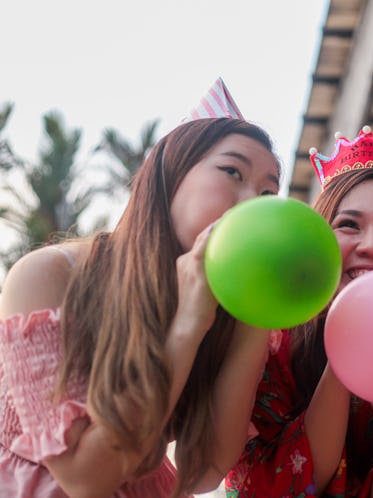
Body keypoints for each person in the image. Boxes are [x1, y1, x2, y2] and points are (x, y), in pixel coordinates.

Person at [0, 79, 281, 497]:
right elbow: (83, 478)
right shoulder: (50, 274)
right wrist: (187, 323)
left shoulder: (237, 316)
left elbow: (203, 470)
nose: (250, 203)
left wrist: (257, 316)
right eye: (232, 171)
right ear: (170, 175)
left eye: (267, 193)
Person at [225, 127, 373, 497]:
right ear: (316, 245)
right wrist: (347, 349)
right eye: (349, 225)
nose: (371, 246)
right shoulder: (268, 344)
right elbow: (266, 486)